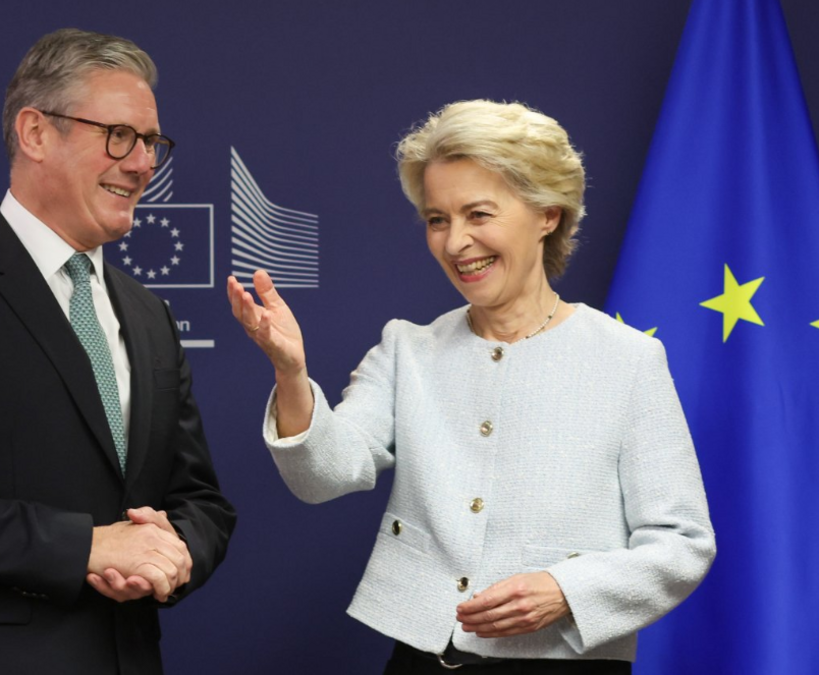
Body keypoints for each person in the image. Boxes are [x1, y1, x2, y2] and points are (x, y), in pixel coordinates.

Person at [227, 100, 714, 674]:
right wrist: (290, 372)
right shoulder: (408, 348)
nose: (456, 243)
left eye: (478, 214)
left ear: (548, 214)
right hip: (420, 660)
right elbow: (325, 475)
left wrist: (566, 589)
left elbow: (682, 542)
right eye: (438, 219)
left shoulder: (628, 360)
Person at [0, 28, 235, 675]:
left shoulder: (148, 315)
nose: (141, 163)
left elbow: (200, 497)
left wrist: (174, 549)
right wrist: (84, 545)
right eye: (118, 135)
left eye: (151, 143)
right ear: (34, 133)